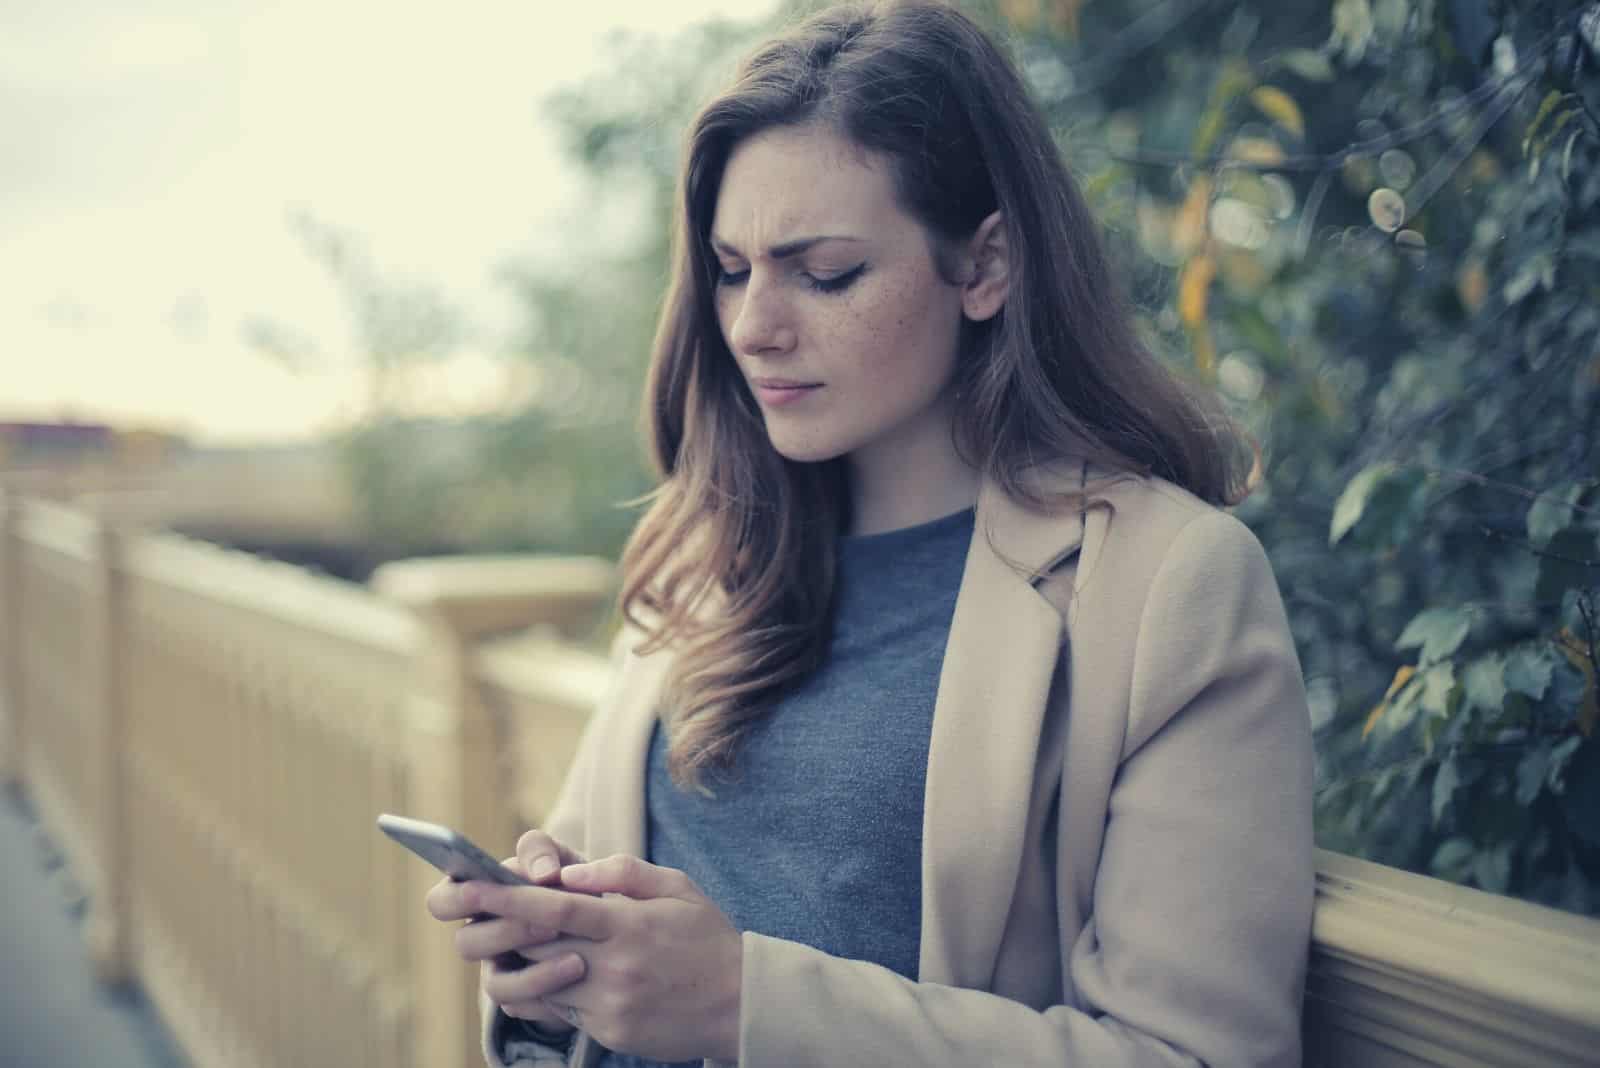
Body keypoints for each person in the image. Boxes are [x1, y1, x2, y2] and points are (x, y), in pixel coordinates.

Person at [426, 1, 1316, 1065]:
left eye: (825, 271)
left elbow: (1196, 1055)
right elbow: (600, 948)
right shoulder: (709, 556)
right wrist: (550, 966)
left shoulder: (1171, 586)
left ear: (985, 268)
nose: (756, 326)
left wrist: (742, 1004)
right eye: (731, 268)